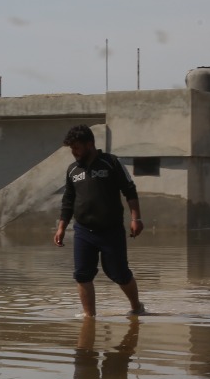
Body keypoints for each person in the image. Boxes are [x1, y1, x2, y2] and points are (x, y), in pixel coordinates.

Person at [52, 124, 145, 317]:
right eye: (72, 149)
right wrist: (61, 227)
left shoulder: (111, 162)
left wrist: (136, 218)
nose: (74, 152)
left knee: (119, 273)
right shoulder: (72, 170)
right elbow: (68, 201)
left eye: (77, 148)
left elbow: (129, 190)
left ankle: (137, 307)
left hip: (111, 230)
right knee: (82, 274)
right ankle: (89, 317)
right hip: (83, 231)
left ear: (90, 144)